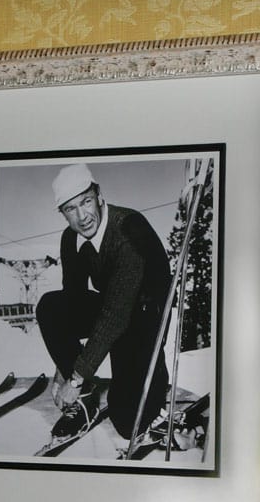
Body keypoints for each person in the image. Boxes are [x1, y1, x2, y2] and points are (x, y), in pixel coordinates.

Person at [36, 163, 172, 442]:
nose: (82, 216)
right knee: (51, 307)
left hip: (145, 316)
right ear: (62, 213)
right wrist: (64, 368)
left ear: (99, 196)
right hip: (113, 307)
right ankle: (85, 400)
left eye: (86, 202)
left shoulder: (128, 231)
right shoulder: (70, 238)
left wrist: (75, 377)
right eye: (70, 209)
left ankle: (153, 376)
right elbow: (72, 299)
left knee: (127, 422)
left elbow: (116, 316)